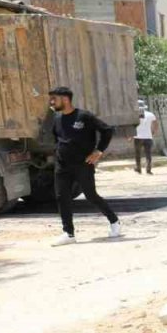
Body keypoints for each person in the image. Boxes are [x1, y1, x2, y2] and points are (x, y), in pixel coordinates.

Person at [48, 86, 121, 245]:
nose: (51, 102)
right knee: (62, 197)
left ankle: (114, 221)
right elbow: (57, 138)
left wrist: (99, 151)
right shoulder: (57, 119)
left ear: (65, 99)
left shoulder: (84, 116)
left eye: (54, 98)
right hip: (62, 165)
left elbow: (107, 130)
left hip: (82, 164)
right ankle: (68, 233)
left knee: (91, 196)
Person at [133, 103, 159, 175]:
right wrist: (154, 132)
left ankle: (138, 169)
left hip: (138, 137)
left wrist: (129, 135)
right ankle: (148, 170)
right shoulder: (150, 114)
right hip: (148, 137)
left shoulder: (134, 115)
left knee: (138, 154)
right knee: (148, 154)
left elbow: (132, 126)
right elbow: (156, 124)